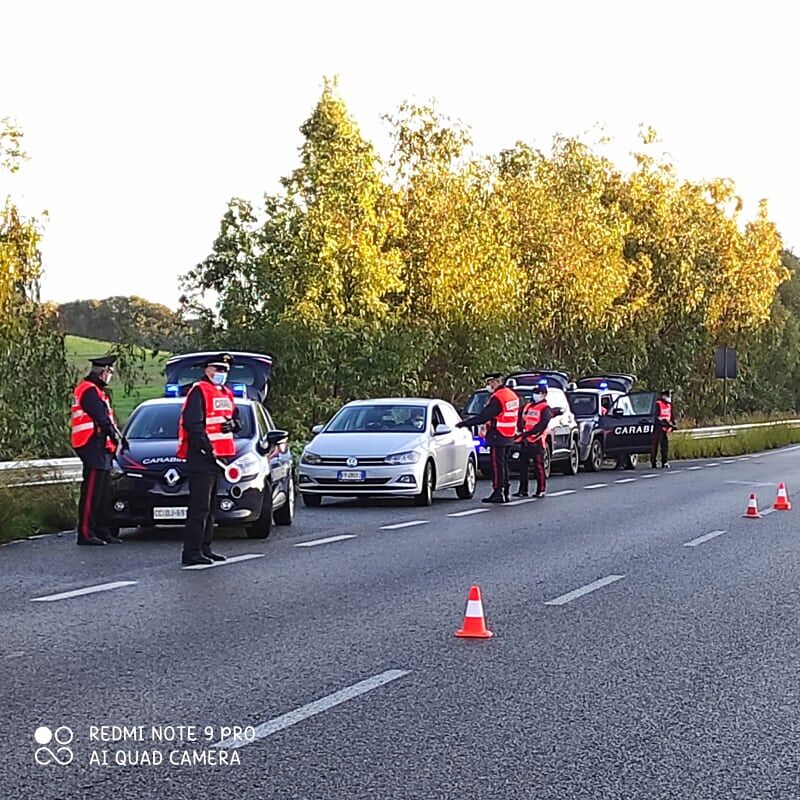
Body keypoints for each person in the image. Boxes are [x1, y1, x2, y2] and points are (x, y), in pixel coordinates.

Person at [176, 353, 241, 566]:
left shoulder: (226, 393)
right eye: (217, 369)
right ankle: (191, 551)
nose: (221, 374)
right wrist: (206, 448)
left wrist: (233, 425)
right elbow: (192, 424)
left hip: (220, 458)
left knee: (210, 507)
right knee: (199, 507)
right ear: (207, 370)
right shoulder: (199, 391)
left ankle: (205, 547)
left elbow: (236, 419)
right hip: (202, 456)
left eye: (224, 371)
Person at [71, 355, 126, 546]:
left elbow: (107, 419)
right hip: (91, 444)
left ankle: (102, 530)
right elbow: (101, 417)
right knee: (92, 493)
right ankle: (85, 532)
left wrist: (116, 438)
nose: (110, 376)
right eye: (110, 372)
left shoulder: (98, 391)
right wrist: (114, 436)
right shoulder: (89, 391)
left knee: (103, 493)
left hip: (101, 446)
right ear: (103, 372)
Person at [457, 372, 520, 503]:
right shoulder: (511, 395)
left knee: (497, 465)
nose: (488, 385)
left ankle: (498, 491)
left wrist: (464, 424)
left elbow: (484, 416)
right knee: (503, 464)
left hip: (499, 434)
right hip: (509, 434)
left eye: (490, 382)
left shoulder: (498, 397)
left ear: (496, 382)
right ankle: (505, 490)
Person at [515, 381, 553, 498]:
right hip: (525, 440)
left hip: (537, 441)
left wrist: (529, 434)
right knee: (523, 467)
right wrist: (521, 431)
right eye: (535, 393)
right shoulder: (528, 406)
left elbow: (542, 424)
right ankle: (523, 490)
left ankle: (541, 490)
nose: (536, 395)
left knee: (538, 467)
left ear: (544, 395)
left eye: (539, 393)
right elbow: (521, 419)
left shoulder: (545, 408)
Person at [651, 389, 676, 469]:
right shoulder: (658, 404)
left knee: (665, 446)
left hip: (666, 428)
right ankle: (653, 462)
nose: (668, 397)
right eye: (667, 395)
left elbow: (671, 416)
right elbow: (657, 416)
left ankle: (664, 462)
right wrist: (664, 422)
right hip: (658, 428)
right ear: (663, 396)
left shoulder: (669, 405)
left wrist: (673, 425)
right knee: (655, 446)